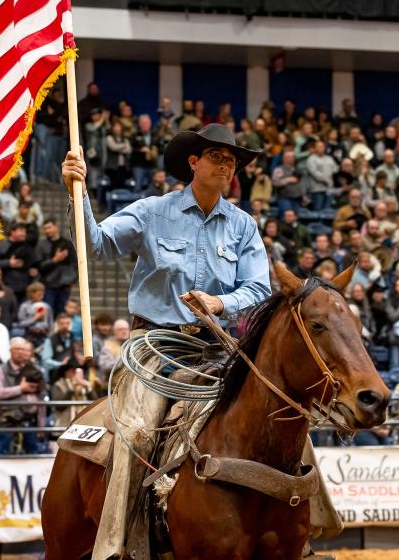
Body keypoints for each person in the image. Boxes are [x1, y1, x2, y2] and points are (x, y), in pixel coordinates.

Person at [63, 123, 315, 558]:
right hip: (154, 349)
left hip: (219, 350)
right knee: (138, 432)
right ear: (193, 163)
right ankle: (120, 541)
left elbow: (258, 289)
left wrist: (218, 303)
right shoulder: (150, 212)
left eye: (232, 160)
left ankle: (305, 534)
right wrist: (77, 193)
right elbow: (97, 245)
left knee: (289, 422)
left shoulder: (242, 225)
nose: (227, 165)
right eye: (217, 157)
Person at [0, 337, 45, 455]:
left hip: (29, 419)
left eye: (23, 349)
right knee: (2, 452)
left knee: (34, 454)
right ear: (10, 351)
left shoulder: (34, 370)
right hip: (7, 419)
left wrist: (42, 425)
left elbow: (41, 397)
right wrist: (21, 389)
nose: (20, 352)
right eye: (17, 349)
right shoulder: (1, 370)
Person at [37, 218, 78, 315]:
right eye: (45, 229)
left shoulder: (68, 243)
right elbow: (39, 266)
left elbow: (74, 264)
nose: (47, 231)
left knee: (62, 313)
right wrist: (55, 260)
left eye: (49, 227)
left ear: (56, 226)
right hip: (48, 284)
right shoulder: (41, 245)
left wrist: (72, 281)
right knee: (48, 312)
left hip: (64, 284)